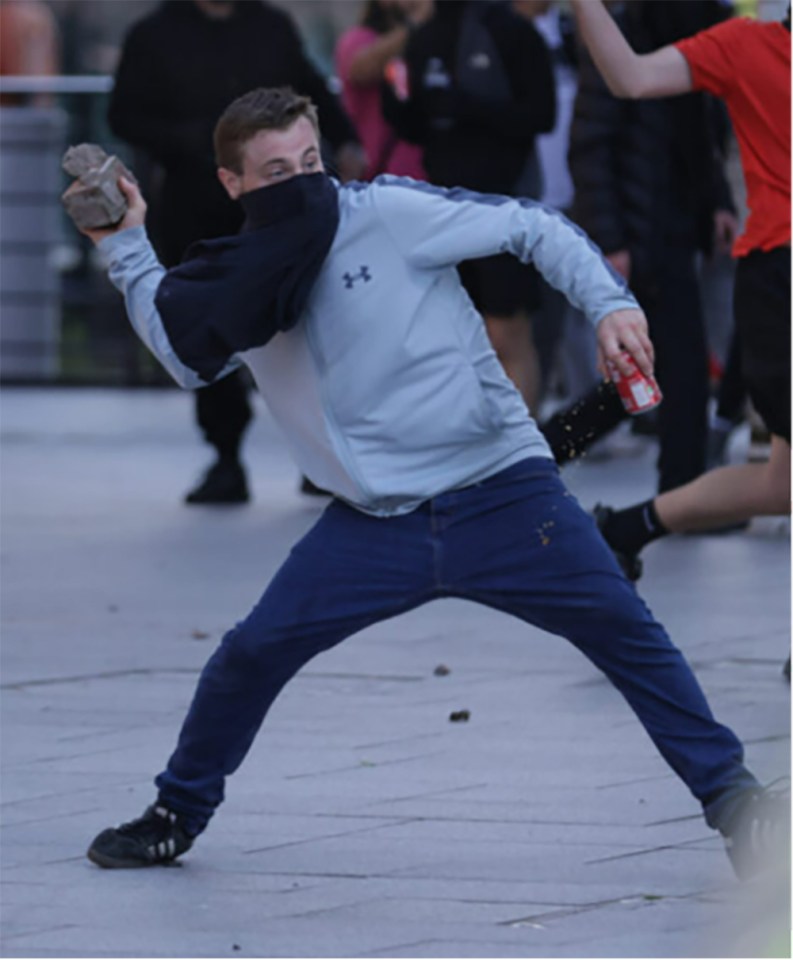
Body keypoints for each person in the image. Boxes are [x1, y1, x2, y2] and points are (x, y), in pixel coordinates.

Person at [79, 87, 784, 880]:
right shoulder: (238, 281)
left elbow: (531, 224)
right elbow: (182, 352)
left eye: (311, 161)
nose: (303, 180)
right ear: (233, 183)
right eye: (277, 170)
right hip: (370, 522)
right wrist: (126, 243)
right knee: (250, 654)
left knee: (629, 636)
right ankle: (177, 811)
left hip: (504, 494)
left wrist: (609, 306)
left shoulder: (385, 213)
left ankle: (738, 809)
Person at [108, 0, 364, 505]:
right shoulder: (153, 33)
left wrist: (347, 140)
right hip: (194, 204)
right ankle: (226, 459)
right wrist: (193, 142)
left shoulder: (271, 25)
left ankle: (319, 458)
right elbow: (124, 115)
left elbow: (307, 90)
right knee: (206, 327)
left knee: (305, 328)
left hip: (276, 210)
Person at [569, 0, 790, 582]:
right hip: (778, 280)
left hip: (748, 267)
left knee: (782, 485)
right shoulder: (744, 44)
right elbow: (630, 77)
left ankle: (628, 527)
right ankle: (549, 458)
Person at [568, 0, 740, 495]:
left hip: (680, 221)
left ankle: (544, 450)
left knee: (648, 372)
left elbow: (703, 133)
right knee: (674, 368)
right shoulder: (625, 30)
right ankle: (682, 492)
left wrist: (719, 203)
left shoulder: (704, 24)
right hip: (641, 230)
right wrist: (611, 238)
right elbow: (591, 143)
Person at [384, 0, 555, 410]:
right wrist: (398, 100)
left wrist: (470, 107)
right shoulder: (423, 37)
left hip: (503, 206)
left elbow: (541, 114)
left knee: (506, 334)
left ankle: (521, 461)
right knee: (457, 341)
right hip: (444, 209)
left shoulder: (513, 31)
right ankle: (476, 456)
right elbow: (414, 124)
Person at [335, 0, 432, 181]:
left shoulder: (427, 41)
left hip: (424, 176)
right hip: (378, 176)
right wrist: (418, 20)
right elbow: (361, 69)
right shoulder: (358, 39)